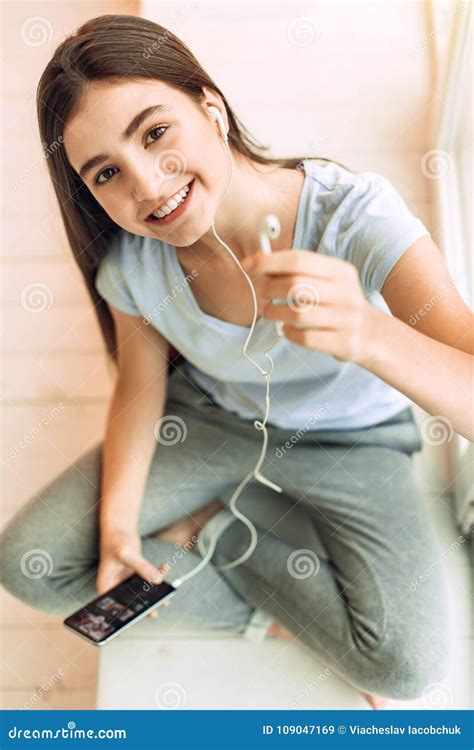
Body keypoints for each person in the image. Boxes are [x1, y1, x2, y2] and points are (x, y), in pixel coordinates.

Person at [1, 14, 471, 710]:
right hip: (212, 423)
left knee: (404, 669)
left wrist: (367, 332)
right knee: (34, 568)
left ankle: (222, 527)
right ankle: (259, 575)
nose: (148, 185)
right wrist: (121, 528)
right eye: (107, 173)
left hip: (352, 443)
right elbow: (140, 384)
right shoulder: (135, 265)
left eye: (155, 132)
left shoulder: (355, 217)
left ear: (210, 107)